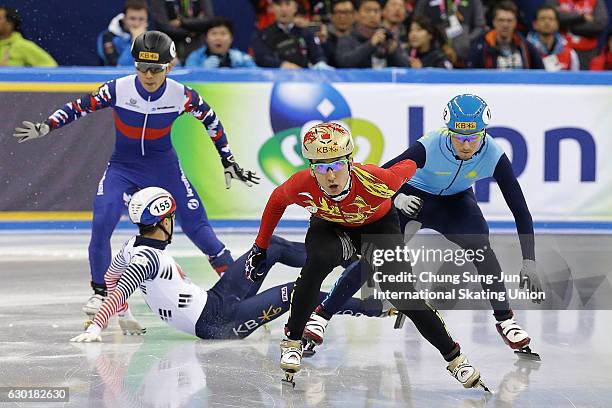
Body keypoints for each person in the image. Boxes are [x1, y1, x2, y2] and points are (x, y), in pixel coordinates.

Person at [13, 31, 259, 319]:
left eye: (155, 69)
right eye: (141, 67)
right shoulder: (118, 89)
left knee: (200, 233)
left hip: (164, 168)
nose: (148, 75)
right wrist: (47, 126)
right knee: (102, 222)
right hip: (123, 168)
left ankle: (241, 294)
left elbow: (212, 122)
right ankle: (100, 293)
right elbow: (80, 107)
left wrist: (228, 161)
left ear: (170, 66)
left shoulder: (182, 95)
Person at [245, 122, 489, 390]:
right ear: (310, 167)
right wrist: (260, 247)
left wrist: (428, 148)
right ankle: (292, 342)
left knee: (404, 295)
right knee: (317, 264)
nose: (330, 176)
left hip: (378, 227)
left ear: (350, 162)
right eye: (321, 167)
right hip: (331, 228)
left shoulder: (378, 180)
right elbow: (276, 201)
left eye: (337, 165)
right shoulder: (301, 184)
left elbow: (409, 165)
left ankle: (456, 360)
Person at [305, 95, 543, 362]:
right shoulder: (430, 145)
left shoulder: (494, 155)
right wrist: (397, 197)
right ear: (449, 130)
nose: (465, 145)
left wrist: (529, 261)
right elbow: (377, 176)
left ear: (484, 132)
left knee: (480, 247)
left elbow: (520, 210)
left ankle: (505, 320)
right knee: (376, 256)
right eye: (458, 137)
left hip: (454, 203)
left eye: (472, 138)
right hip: (411, 197)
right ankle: (321, 315)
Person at [70, 187, 391, 342]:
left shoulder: (131, 246)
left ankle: (344, 255)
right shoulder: (149, 258)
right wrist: (100, 324)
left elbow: (111, 279)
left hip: (215, 298)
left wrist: (124, 316)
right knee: (299, 291)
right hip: (218, 324)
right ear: (165, 219)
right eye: (171, 217)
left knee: (271, 248)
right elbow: (122, 288)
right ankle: (375, 308)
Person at [251, 0, 330, 69]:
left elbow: (318, 55)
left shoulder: (306, 32)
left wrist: (321, 63)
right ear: (272, 8)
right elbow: (261, 58)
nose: (283, 9)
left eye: (287, 4)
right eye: (279, 5)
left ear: (295, 7)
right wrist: (282, 65)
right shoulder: (263, 35)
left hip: (304, 79)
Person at [469, 0, 544, 69]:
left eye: (509, 21)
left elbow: (540, 74)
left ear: (515, 23)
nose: (505, 25)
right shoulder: (480, 48)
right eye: (501, 20)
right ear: (494, 22)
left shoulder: (527, 47)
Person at [335, 0, 409, 68]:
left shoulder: (388, 37)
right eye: (368, 11)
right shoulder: (346, 39)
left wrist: (393, 52)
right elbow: (344, 63)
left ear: (381, 14)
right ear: (356, 15)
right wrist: (371, 44)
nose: (372, 15)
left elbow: (406, 68)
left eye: (376, 11)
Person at [415, 0, 486, 64]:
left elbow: (480, 26)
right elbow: (418, 23)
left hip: (465, 56)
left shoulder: (474, 1)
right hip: (435, 55)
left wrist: (466, 41)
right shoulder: (425, 2)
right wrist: (442, 44)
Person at [545, 0, 609, 70]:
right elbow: (552, 16)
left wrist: (568, 26)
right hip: (560, 50)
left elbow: (599, 25)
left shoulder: (596, 1)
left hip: (588, 52)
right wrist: (582, 17)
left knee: (586, 79)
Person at [149, 0, 214, 63]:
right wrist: (191, 32)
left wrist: (181, 22)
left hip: (197, 46)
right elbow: (163, 25)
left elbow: (208, 20)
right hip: (171, 47)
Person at [185, 17, 256, 68]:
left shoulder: (241, 58)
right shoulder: (195, 57)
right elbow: (187, 81)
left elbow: (257, 77)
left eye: (223, 33)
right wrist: (202, 69)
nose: (218, 38)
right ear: (206, 38)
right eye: (214, 33)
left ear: (231, 39)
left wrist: (242, 68)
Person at [527, 5, 579, 71]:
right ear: (534, 24)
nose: (547, 22)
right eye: (542, 18)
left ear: (557, 24)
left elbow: (575, 79)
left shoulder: (570, 53)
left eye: (551, 19)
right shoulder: (526, 50)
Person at [97, 0, 149, 66]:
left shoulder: (153, 38)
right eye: (132, 19)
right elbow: (119, 67)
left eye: (141, 19)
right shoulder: (107, 37)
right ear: (124, 18)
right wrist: (135, 42)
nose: (136, 24)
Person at [321, 0, 356, 67]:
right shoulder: (324, 38)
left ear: (354, 15)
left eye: (347, 12)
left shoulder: (361, 38)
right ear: (331, 16)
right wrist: (324, 43)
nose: (342, 17)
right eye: (338, 12)